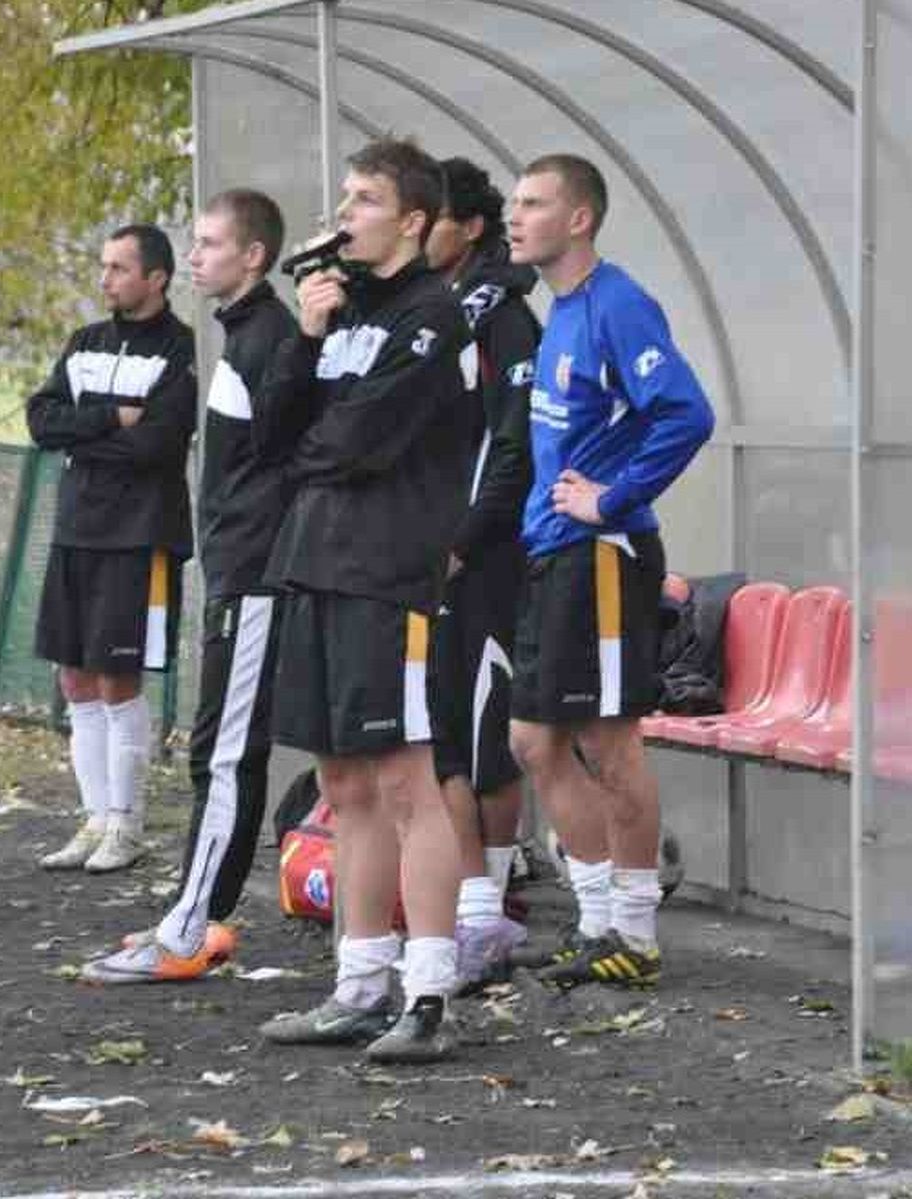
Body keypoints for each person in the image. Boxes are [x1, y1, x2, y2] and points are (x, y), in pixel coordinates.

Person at [252, 138, 471, 1063]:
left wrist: (307, 445)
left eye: (366, 199)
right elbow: (268, 432)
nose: (345, 213)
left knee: (406, 781)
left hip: (389, 574)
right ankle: (359, 983)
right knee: (344, 785)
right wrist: (303, 339)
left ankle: (429, 994)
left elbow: (354, 446)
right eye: (344, 195)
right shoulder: (339, 313)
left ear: (413, 221)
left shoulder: (433, 319)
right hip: (314, 564)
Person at [505, 154, 714, 990]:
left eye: (534, 202)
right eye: (514, 201)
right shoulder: (559, 311)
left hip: (601, 555)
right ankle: (596, 921)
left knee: (607, 740)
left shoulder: (618, 304)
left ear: (580, 218)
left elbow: (687, 412)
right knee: (535, 738)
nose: (516, 216)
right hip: (553, 551)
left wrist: (615, 497)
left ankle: (635, 933)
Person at [82, 189, 300, 983]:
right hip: (235, 572)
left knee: (226, 753)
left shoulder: (272, 336)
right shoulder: (244, 334)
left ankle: (189, 927)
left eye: (209, 243)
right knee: (215, 750)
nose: (196, 255)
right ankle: (191, 914)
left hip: (257, 578)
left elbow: (283, 458)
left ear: (253, 257)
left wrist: (255, 561)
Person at [27, 224, 197, 874]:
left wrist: (85, 432)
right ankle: (95, 818)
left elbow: (156, 444)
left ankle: (127, 825)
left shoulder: (181, 352)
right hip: (76, 529)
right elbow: (42, 421)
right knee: (73, 678)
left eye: (120, 268)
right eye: (104, 267)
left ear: (156, 277)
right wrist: (108, 416)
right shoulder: (85, 342)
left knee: (116, 678)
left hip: (139, 536)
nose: (107, 280)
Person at [421, 157, 541, 992]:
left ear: (467, 227)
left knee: (484, 738)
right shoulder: (431, 314)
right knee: (438, 740)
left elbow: (514, 448)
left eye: (428, 215)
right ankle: (473, 906)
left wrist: (463, 539)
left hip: (486, 563)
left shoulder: (506, 321)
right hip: (424, 563)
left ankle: (484, 908)